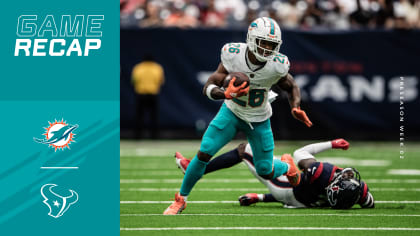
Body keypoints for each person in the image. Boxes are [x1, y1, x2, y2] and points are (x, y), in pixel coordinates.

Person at [163, 17, 313, 215]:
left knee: (265, 170)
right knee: (204, 152)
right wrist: (224, 94)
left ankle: (286, 167)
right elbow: (209, 85)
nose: (268, 49)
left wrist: (295, 106)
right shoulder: (233, 54)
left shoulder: (277, 64)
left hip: (259, 120)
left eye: (272, 45)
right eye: (264, 43)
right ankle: (181, 199)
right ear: (251, 39)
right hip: (231, 112)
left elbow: (291, 85)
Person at [174, 138, 375, 209]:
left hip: (286, 188)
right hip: (298, 200)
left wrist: (331, 144)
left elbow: (300, 153)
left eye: (345, 178)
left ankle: (194, 169)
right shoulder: (357, 193)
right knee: (278, 163)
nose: (348, 176)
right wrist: (260, 197)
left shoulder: (322, 173)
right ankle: (277, 180)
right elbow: (368, 202)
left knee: (246, 150)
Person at [131, 54, 165, 139]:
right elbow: (161, 81)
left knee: (139, 117)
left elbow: (134, 80)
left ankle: (138, 136)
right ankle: (154, 136)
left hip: (141, 94)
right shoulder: (157, 67)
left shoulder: (138, 67)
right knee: (153, 117)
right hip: (153, 94)